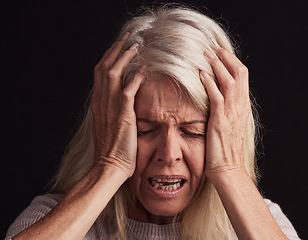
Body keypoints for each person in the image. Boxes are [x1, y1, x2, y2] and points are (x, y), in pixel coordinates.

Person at [5, 5, 300, 240]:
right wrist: (109, 165)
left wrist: (230, 170)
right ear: (109, 125)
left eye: (192, 131)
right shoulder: (50, 218)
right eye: (145, 128)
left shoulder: (259, 224)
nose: (168, 153)